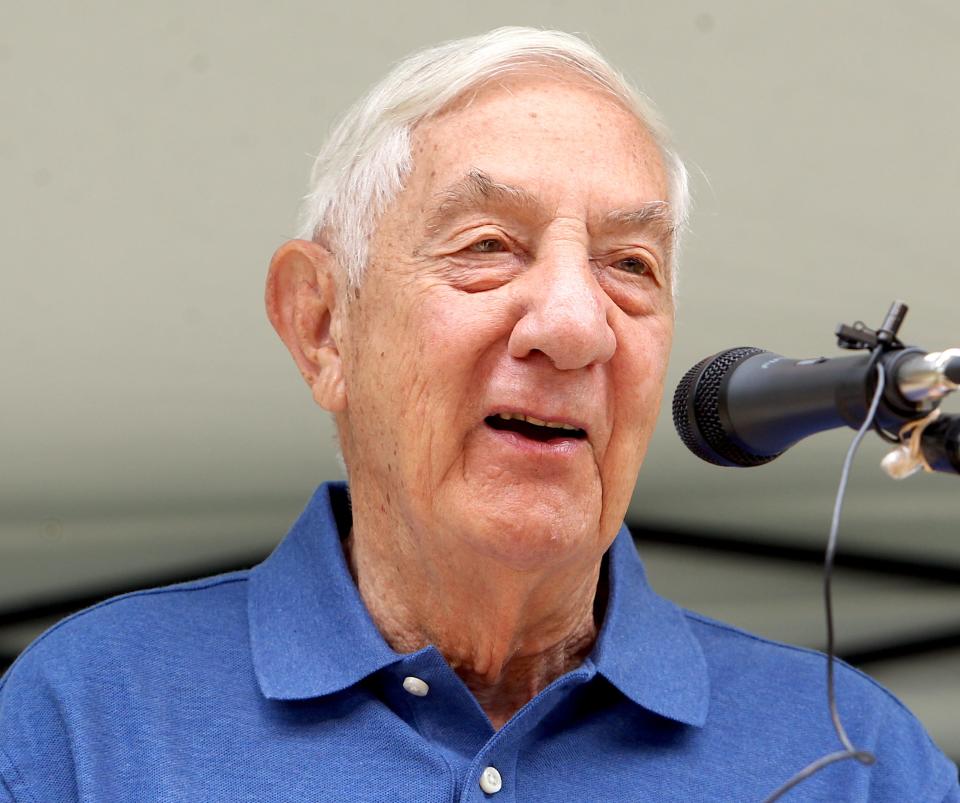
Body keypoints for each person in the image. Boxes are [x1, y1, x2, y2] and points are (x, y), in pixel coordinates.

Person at [1, 27, 956, 803]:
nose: (576, 325)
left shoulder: (856, 759)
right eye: (490, 245)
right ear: (323, 326)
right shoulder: (89, 715)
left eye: (631, 265)